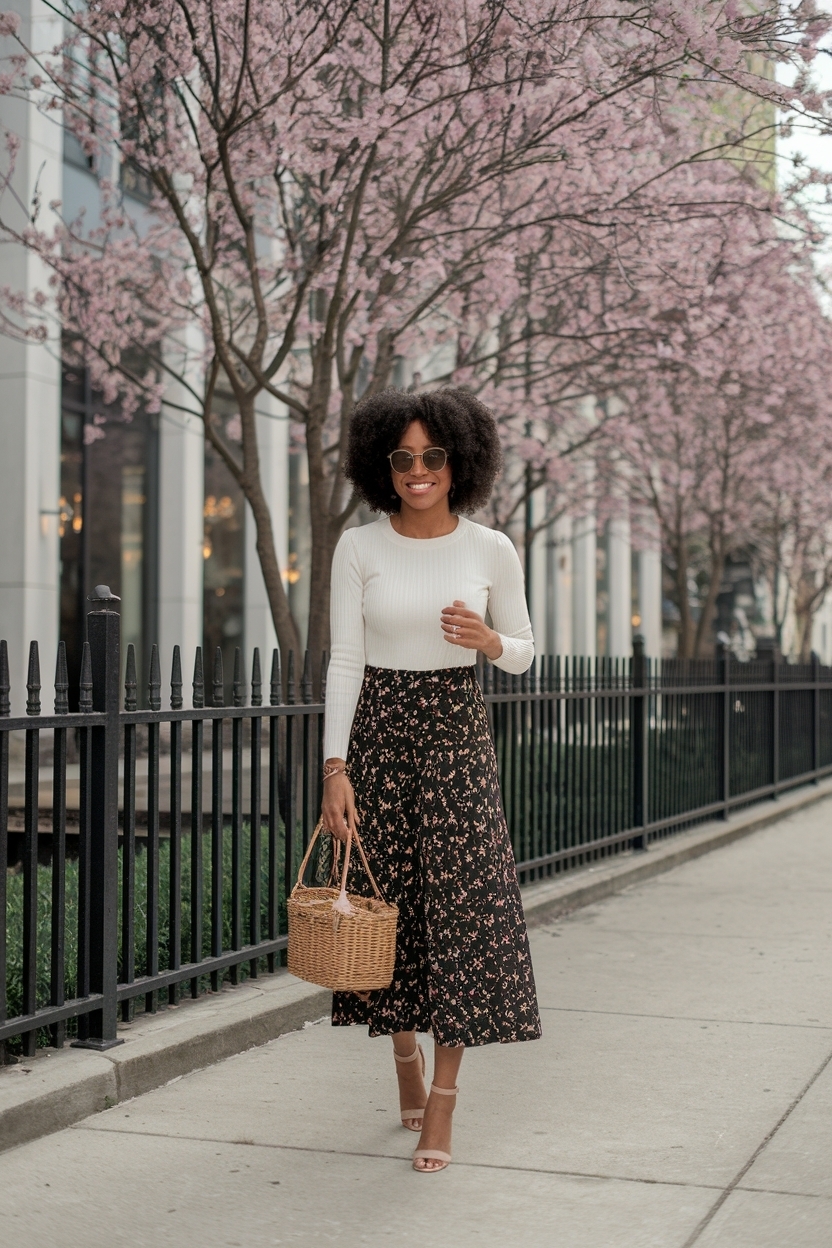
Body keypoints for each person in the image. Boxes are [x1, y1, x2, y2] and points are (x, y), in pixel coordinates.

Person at [321, 388, 541, 1174]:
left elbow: (524, 649)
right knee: (389, 906)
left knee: (460, 913)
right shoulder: (359, 547)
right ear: (384, 466)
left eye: (434, 457)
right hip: (377, 731)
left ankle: (440, 1103)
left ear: (460, 462)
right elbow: (345, 660)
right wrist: (334, 767)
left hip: (455, 733)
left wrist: (488, 639)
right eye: (403, 458)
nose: (419, 471)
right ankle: (402, 1052)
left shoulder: (492, 549)